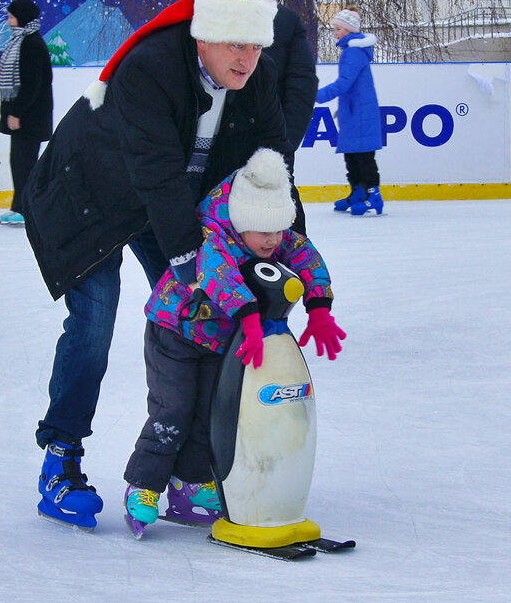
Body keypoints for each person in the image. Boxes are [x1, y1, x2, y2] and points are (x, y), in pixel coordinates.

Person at [22, 0, 292, 529]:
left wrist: (290, 256)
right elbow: (156, 171)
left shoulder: (257, 81)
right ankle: (60, 460)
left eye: (256, 45)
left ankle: (189, 472)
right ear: (205, 34)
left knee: (201, 319)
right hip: (88, 200)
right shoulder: (152, 67)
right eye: (235, 44)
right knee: (95, 322)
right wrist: (192, 261)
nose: (247, 58)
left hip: (162, 202)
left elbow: (270, 173)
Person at [121, 147, 344, 534]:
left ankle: (189, 485)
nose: (274, 240)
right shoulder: (213, 232)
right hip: (174, 333)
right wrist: (250, 319)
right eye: (265, 231)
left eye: (279, 229)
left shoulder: (269, 228)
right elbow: (217, 275)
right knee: (173, 409)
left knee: (208, 412)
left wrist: (319, 304)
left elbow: (305, 255)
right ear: (242, 221)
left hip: (219, 338)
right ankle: (143, 486)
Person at [214, 0, 317, 232]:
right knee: (280, 237)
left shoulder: (205, 14)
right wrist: (279, 148)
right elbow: (302, 91)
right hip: (266, 146)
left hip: (217, 153)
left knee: (216, 241)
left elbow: (301, 88)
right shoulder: (283, 18)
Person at [317, 7, 383, 215]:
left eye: (338, 29)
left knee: (363, 156)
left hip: (361, 114)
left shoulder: (353, 52)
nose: (335, 33)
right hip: (355, 111)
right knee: (352, 155)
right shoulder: (351, 51)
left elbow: (344, 83)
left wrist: (314, 95)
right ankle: (358, 192)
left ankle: (373, 195)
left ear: (348, 30)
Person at [0, 0, 53, 227]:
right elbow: (24, 77)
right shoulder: (20, 42)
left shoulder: (31, 43)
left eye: (11, 16)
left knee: (24, 164)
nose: (8, 21)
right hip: (26, 115)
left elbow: (33, 83)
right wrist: (2, 77)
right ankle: (19, 206)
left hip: (30, 116)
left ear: (22, 17)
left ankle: (27, 208)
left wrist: (16, 113)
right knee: (18, 162)